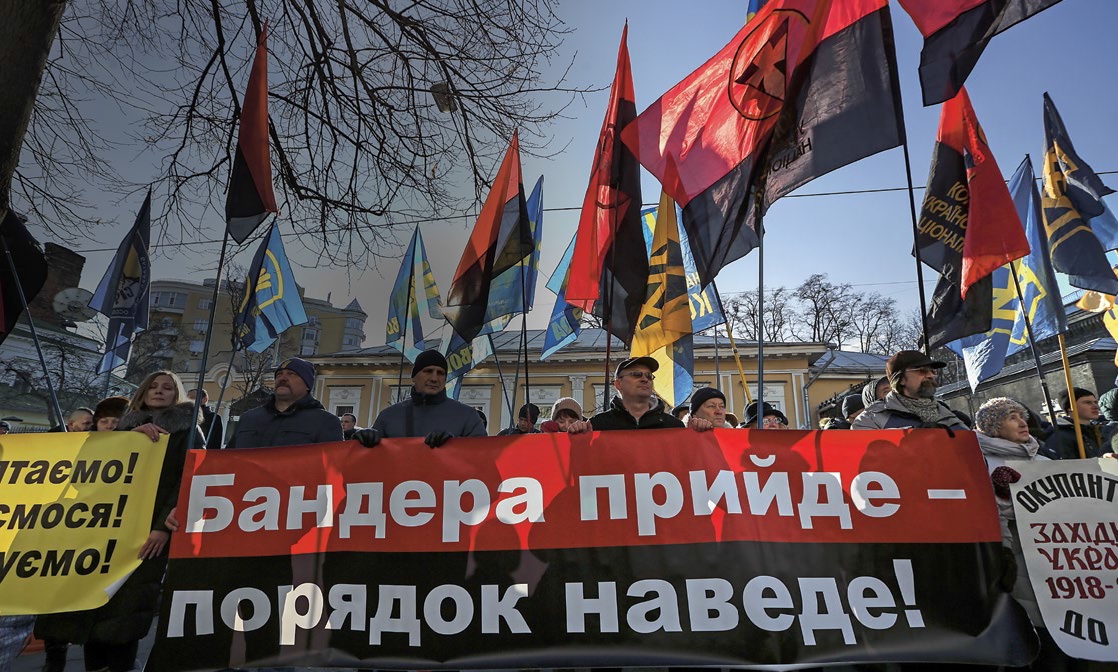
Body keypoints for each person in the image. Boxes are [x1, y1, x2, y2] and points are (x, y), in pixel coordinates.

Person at [36, 370, 203, 672]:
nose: (159, 391)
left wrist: (161, 529)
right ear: (141, 391)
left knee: (126, 613)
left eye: (168, 387)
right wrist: (125, 439)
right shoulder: (121, 428)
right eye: (152, 386)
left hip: (148, 534)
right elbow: (86, 472)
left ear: (177, 395)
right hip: (105, 529)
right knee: (95, 605)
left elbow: (189, 480)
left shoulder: (189, 432)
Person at [974, 398, 1078, 671]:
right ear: (994, 427)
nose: (1023, 423)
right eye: (1011, 417)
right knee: (1038, 644)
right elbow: (988, 514)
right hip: (1020, 564)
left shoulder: (1043, 458)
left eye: (1022, 416)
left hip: (1060, 565)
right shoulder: (981, 463)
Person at [359, 350, 486, 447]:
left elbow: (482, 456)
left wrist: (454, 445)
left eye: (440, 373)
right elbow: (368, 463)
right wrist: (362, 441)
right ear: (414, 376)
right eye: (428, 371)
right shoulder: (388, 416)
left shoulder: (467, 416)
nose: (434, 378)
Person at [225, 358, 343, 449]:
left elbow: (334, 466)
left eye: (292, 374)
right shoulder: (249, 418)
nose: (283, 378)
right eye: (279, 374)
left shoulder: (325, 422)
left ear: (307, 385)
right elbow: (229, 459)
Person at [852, 350, 968, 430]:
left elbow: (976, 457)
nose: (930, 375)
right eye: (922, 371)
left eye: (932, 371)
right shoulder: (871, 419)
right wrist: (912, 435)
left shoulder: (948, 415)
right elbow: (866, 460)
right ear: (900, 379)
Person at [566, 357, 685, 433]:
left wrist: (699, 432)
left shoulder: (673, 426)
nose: (645, 379)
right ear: (618, 384)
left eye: (649, 376)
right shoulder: (597, 425)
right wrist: (577, 438)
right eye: (636, 374)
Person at [1044, 387, 1112, 459]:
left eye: (1095, 402)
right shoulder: (1060, 438)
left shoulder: (1099, 431)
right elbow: (1066, 467)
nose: (1096, 406)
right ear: (1070, 407)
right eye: (1088, 402)